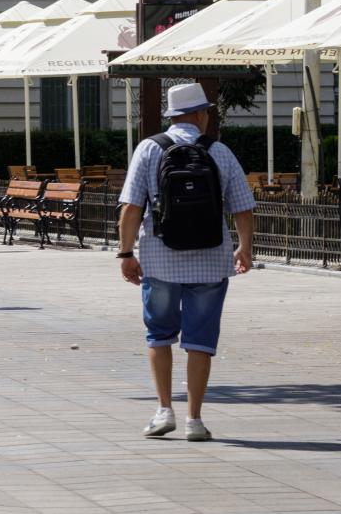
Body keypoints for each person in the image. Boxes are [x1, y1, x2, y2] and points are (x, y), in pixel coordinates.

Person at [116, 81, 257, 442]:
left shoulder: (149, 149)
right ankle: (194, 418)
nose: (208, 117)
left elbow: (131, 208)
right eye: (206, 111)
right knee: (200, 341)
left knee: (158, 335)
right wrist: (244, 248)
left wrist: (126, 253)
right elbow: (243, 207)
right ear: (198, 115)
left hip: (159, 259)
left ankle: (165, 409)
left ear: (173, 116)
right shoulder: (220, 152)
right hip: (211, 260)